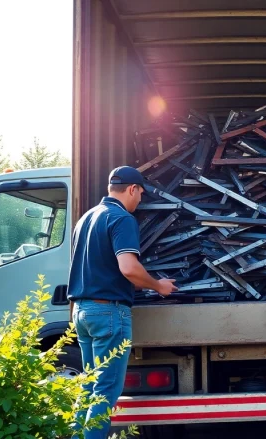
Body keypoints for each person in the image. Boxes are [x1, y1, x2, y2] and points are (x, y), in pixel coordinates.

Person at [67, 166, 178, 439]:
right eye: (140, 192)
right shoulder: (121, 219)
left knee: (89, 386)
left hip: (81, 311)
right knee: (105, 391)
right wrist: (158, 286)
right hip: (108, 312)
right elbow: (128, 267)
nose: (140, 199)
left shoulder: (86, 219)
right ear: (131, 189)